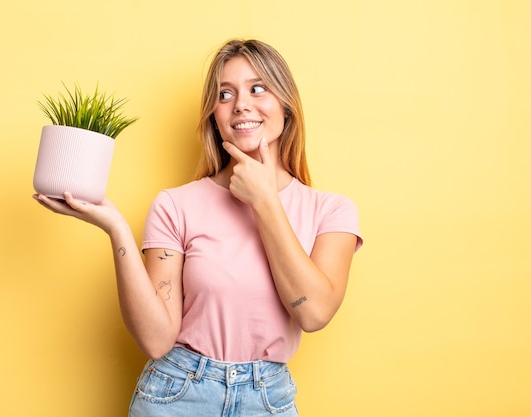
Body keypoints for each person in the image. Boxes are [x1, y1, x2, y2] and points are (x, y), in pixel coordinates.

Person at [34, 38, 363, 417]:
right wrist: (117, 230)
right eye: (225, 94)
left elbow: (314, 313)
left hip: (267, 401)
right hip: (176, 394)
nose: (241, 104)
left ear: (287, 108)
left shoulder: (331, 211)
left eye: (258, 89)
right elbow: (156, 340)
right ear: (215, 116)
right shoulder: (176, 205)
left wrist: (265, 201)